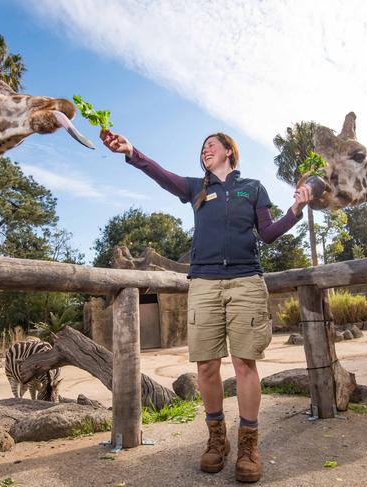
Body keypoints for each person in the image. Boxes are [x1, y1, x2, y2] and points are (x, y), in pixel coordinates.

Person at [101, 130, 313, 483]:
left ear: (229, 150)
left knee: (245, 363)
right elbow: (160, 174)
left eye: (211, 146)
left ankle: (248, 444)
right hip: (203, 283)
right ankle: (217, 439)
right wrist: (132, 151)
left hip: (246, 280)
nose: (205, 151)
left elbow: (269, 234)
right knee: (206, 368)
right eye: (201, 149)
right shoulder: (195, 188)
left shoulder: (253, 188)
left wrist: (296, 209)